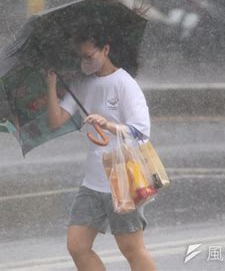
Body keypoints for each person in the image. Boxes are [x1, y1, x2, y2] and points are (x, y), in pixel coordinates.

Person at [45, 27, 157, 271]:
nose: (84, 62)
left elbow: (141, 131)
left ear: (105, 50)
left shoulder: (125, 84)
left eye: (88, 56)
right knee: (77, 246)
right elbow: (56, 121)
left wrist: (109, 125)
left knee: (131, 248)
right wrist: (52, 85)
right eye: (80, 57)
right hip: (93, 181)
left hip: (123, 177)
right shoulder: (82, 84)